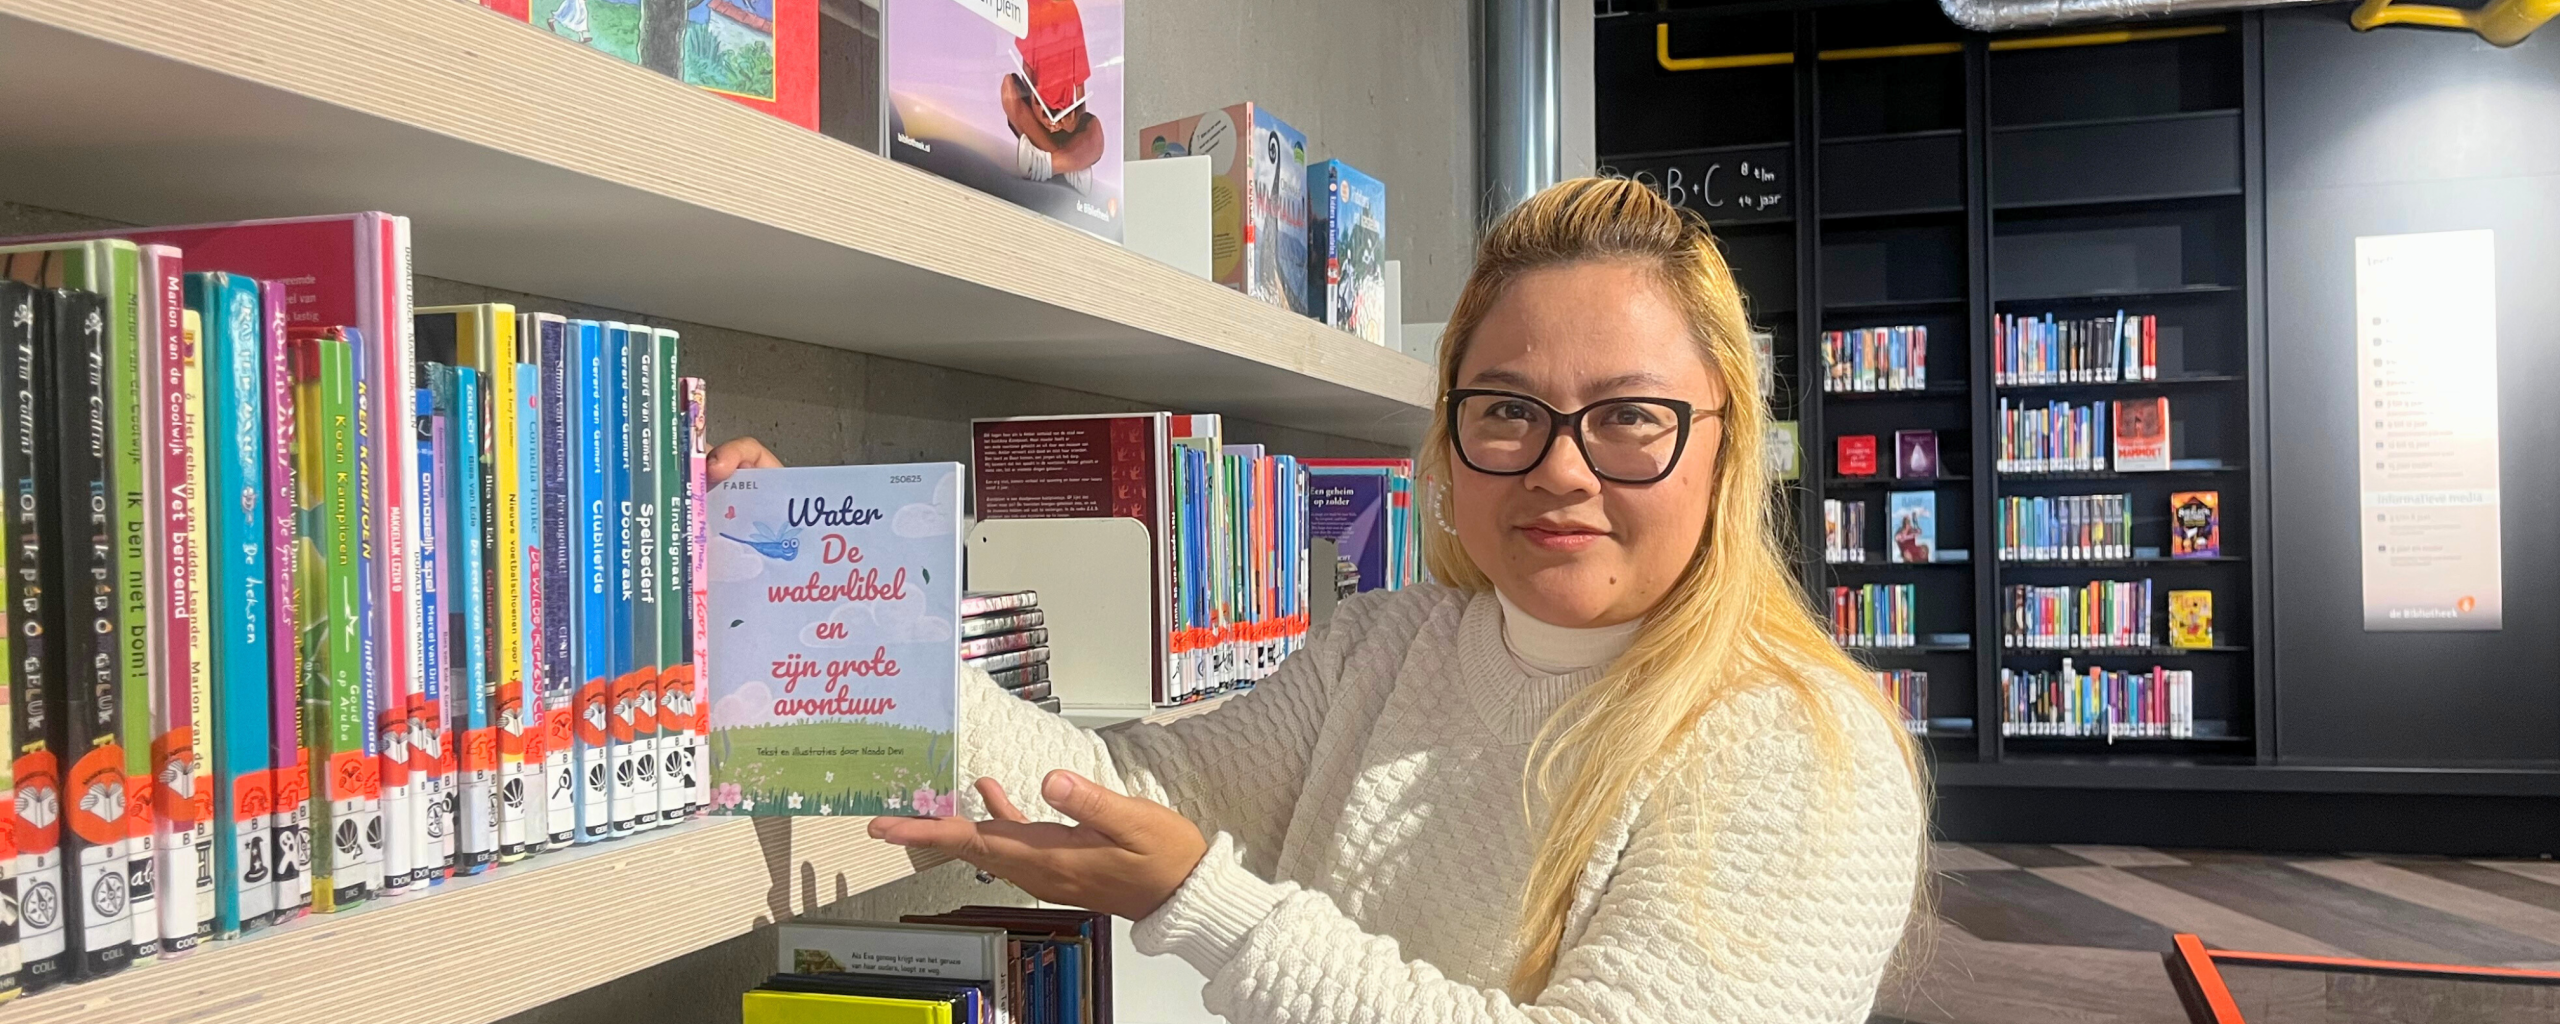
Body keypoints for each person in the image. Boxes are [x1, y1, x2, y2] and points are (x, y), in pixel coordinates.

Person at [706, 177, 1927, 1023]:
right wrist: (850, 604)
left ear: (1722, 443)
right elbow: (1128, 796)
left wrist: (1206, 907)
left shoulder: (1808, 749)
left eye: (1628, 417)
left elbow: (1180, 868)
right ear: (1449, 442)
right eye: (1505, 410)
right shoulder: (1383, 646)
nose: (1560, 465)